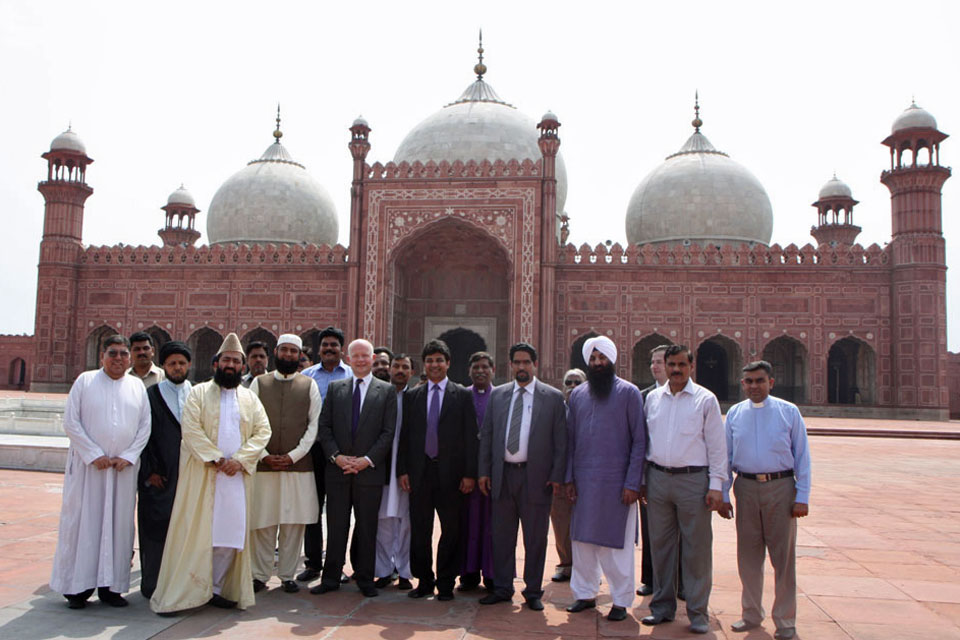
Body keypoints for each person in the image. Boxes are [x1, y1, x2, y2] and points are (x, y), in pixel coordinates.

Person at [150, 333, 272, 613]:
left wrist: (240, 459)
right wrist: (217, 459)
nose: (231, 364)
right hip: (205, 475)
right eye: (226, 360)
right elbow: (190, 430)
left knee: (229, 536)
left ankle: (216, 588)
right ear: (216, 363)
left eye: (235, 361)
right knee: (199, 534)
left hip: (236, 479)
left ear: (242, 367)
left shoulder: (249, 398)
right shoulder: (199, 393)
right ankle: (190, 590)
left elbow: (263, 430)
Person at [50, 335, 151, 609]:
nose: (118, 358)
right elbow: (71, 422)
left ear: (130, 358)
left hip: (122, 471)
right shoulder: (85, 381)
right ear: (102, 356)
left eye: (123, 354)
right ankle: (77, 588)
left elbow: (145, 427)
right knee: (83, 524)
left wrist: (129, 456)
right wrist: (93, 454)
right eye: (113, 353)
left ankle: (112, 587)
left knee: (119, 527)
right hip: (88, 471)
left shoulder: (136, 387)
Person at [720, 361, 811, 640]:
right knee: (748, 555)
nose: (754, 386)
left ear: (771, 382)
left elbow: (802, 456)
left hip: (781, 487)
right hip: (745, 487)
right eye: (748, 381)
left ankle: (785, 620)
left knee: (782, 559)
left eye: (759, 381)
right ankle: (751, 613)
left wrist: (802, 496)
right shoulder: (735, 413)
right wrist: (723, 493)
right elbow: (725, 458)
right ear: (742, 383)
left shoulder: (788, 412)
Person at [642, 344, 726, 634]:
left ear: (691, 367)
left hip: (693, 480)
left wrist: (717, 486)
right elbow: (645, 443)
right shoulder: (653, 398)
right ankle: (662, 607)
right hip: (658, 479)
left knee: (696, 549)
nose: (676, 370)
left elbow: (717, 447)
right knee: (661, 548)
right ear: (664, 366)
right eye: (671, 365)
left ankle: (698, 612)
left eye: (681, 365)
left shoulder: (705, 400)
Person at [478, 343, 566, 611]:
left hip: (535, 477)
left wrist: (556, 475)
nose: (522, 367)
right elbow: (488, 436)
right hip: (503, 475)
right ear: (510, 365)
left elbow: (561, 442)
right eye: (517, 362)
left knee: (535, 538)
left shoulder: (551, 397)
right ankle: (503, 587)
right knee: (502, 536)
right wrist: (483, 471)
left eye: (527, 362)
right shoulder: (500, 395)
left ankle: (533, 590)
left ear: (535, 365)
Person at [564, 336, 646, 622]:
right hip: (584, 481)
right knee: (583, 542)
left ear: (611, 359)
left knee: (616, 546)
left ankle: (621, 600)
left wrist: (632, 483)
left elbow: (639, 442)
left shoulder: (629, 393)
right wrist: (569, 478)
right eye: (594, 359)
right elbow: (570, 440)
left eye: (602, 358)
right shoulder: (578, 395)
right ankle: (584, 594)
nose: (598, 363)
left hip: (617, 483)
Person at [311, 339, 397, 597]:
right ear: (348, 359)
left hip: (369, 471)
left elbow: (388, 432)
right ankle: (330, 577)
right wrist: (336, 457)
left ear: (372, 359)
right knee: (337, 526)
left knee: (367, 527)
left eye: (365, 356)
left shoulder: (386, 391)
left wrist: (366, 460)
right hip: (338, 470)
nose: (360, 360)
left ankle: (364, 578)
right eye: (355, 356)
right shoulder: (337, 389)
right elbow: (324, 427)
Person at [397, 339, 478, 601]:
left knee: (451, 529)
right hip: (420, 473)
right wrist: (403, 470)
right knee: (420, 530)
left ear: (448, 363)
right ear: (424, 364)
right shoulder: (413, 396)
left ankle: (445, 581)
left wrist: (469, 474)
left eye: (439, 360)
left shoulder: (462, 395)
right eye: (430, 360)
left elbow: (469, 436)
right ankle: (424, 580)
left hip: (451, 475)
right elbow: (405, 437)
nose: (434, 365)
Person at [248, 335, 320, 594]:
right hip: (264, 465)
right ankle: (259, 574)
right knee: (263, 523)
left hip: (297, 467)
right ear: (276, 352)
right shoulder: (259, 383)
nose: (289, 355)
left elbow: (313, 426)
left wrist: (293, 456)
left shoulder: (309, 385)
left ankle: (287, 574)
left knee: (293, 523)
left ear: (299, 355)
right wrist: (263, 455)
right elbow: (249, 423)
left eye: (294, 352)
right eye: (285, 350)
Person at [138, 340, 192, 599]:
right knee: (157, 531)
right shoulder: (152, 395)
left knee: (187, 532)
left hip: (190, 477)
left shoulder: (198, 394)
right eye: (172, 363)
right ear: (164, 366)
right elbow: (142, 437)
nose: (177, 367)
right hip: (161, 477)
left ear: (188, 365)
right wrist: (149, 472)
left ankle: (182, 583)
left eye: (181, 363)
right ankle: (152, 584)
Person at [298, 326, 352, 583]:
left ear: (342, 348)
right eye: (325, 345)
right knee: (312, 508)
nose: (329, 349)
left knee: (339, 512)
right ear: (319, 348)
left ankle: (335, 564)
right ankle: (313, 563)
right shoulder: (307, 376)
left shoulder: (352, 376)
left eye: (334, 345)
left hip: (343, 452)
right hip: (314, 450)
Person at [637, 344, 683, 599]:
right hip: (653, 474)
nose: (654, 366)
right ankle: (650, 579)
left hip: (685, 474)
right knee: (651, 529)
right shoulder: (643, 396)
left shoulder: (697, 397)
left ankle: (682, 582)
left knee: (685, 532)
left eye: (659, 361)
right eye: (652, 361)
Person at [375, 353, 416, 590]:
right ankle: (383, 570)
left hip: (406, 471)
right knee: (383, 522)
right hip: (382, 467)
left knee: (405, 522)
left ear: (411, 372)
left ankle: (404, 572)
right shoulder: (379, 396)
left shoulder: (417, 398)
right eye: (396, 366)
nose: (400, 370)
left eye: (405, 367)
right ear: (390, 369)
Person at [459, 351, 496, 592]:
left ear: (493, 370)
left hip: (493, 474)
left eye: (484, 367)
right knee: (467, 524)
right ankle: (468, 574)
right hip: (467, 473)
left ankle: (493, 575)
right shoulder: (460, 397)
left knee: (493, 526)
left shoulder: (502, 396)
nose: (480, 371)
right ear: (469, 371)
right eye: (476, 367)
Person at [549, 367, 584, 582]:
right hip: (560, 474)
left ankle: (587, 567)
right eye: (568, 382)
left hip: (584, 474)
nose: (572, 387)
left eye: (577, 383)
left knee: (587, 522)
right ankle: (566, 563)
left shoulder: (592, 410)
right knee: (561, 520)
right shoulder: (555, 410)